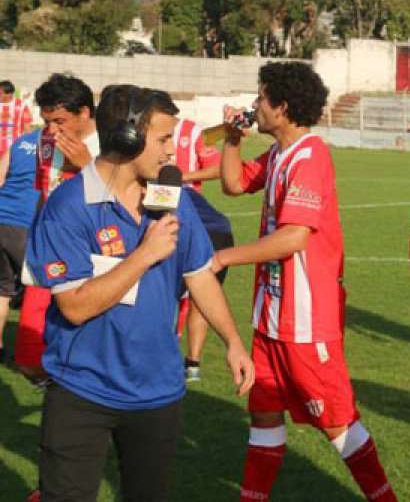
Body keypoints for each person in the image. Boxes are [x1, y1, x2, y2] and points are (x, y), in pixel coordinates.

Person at [25, 84, 254, 501]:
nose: (172, 153)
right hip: (82, 391)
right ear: (127, 138)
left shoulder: (172, 198)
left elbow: (199, 273)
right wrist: (144, 255)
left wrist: (234, 342)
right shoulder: (68, 206)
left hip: (157, 392)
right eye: (164, 139)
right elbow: (74, 308)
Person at [215, 61, 397, 502]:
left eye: (261, 99)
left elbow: (295, 237)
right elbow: (234, 184)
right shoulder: (280, 153)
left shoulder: (310, 156)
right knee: (263, 418)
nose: (255, 106)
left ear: (282, 107)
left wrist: (223, 256)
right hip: (271, 316)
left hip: (305, 323)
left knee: (337, 425)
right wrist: (232, 139)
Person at [15, 73, 100, 384]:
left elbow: (120, 205)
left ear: (85, 113)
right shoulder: (46, 144)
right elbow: (45, 196)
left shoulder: (111, 145)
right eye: (46, 120)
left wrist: (88, 166)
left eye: (60, 121)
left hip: (94, 262)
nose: (51, 130)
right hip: (48, 253)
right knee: (27, 354)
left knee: (86, 349)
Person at [168, 117, 235, 381]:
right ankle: (189, 364)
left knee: (179, 292)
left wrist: (183, 176)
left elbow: (219, 167)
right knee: (197, 292)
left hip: (190, 217)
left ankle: (183, 360)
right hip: (209, 223)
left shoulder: (191, 131)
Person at [0, 128, 41, 363]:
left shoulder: (20, 141)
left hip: (2, 216)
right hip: (26, 223)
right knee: (37, 289)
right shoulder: (60, 144)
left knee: (2, 289)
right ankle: (31, 351)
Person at [0, 80, 35, 155]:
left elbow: (27, 128)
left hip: (14, 147)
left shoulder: (21, 106)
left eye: (0, 93)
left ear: (9, 94)